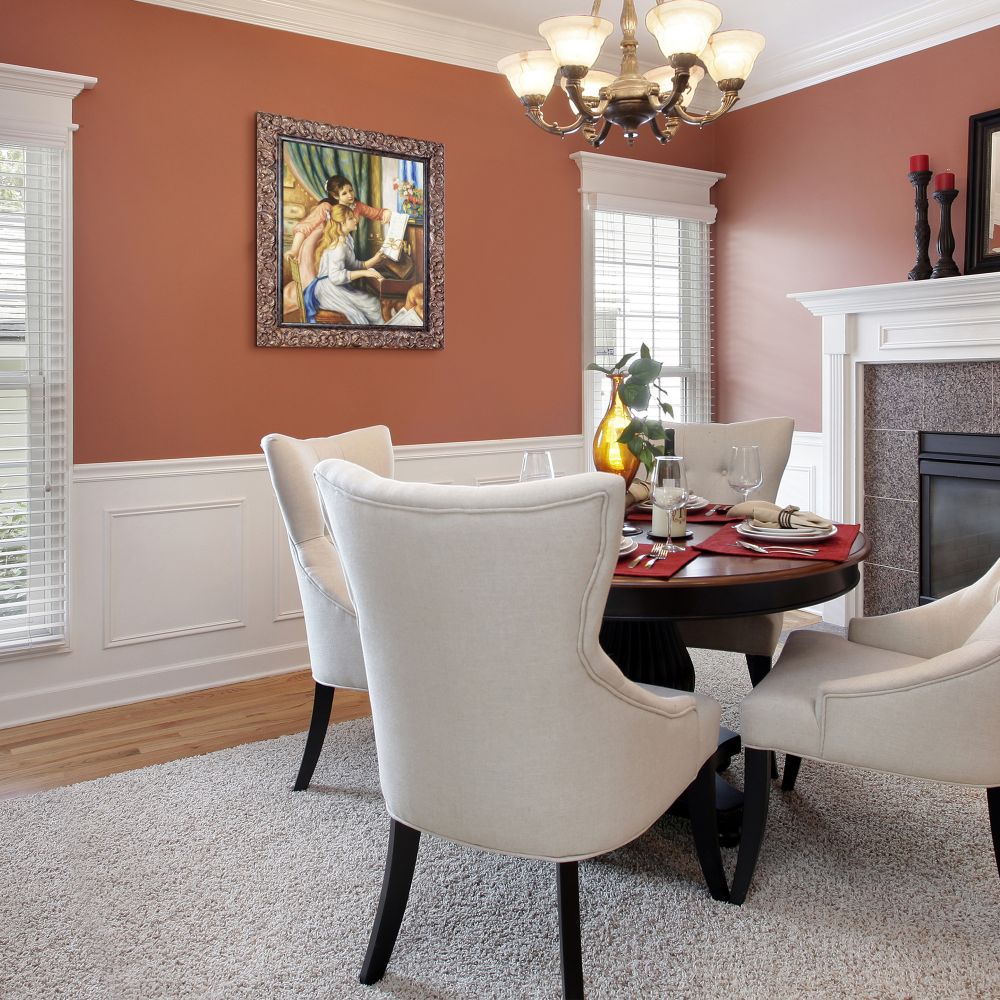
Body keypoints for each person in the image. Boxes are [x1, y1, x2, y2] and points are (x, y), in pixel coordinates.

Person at [283, 175, 390, 313]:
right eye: (344, 193)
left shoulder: (356, 206)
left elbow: (376, 213)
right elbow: (305, 227)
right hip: (317, 247)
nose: (350, 195)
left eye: (351, 190)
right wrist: (294, 249)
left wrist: (386, 212)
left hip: (337, 248)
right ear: (335, 195)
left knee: (336, 280)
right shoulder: (326, 207)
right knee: (312, 285)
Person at [302, 205, 385, 325]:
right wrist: (365, 273)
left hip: (333, 286)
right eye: (351, 218)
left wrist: (375, 259)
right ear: (342, 222)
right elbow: (336, 277)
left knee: (372, 304)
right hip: (328, 289)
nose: (356, 220)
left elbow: (353, 265)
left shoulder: (347, 239)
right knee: (367, 308)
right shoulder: (339, 246)